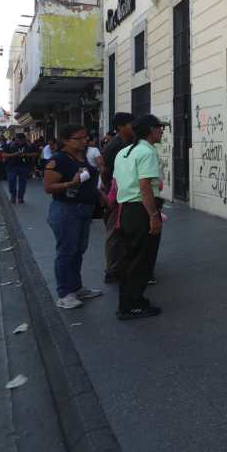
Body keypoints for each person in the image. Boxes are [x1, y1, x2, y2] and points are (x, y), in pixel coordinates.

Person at [43, 125, 103, 309]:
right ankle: (64, 293)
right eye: (80, 138)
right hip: (66, 211)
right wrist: (71, 183)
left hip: (84, 210)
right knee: (66, 252)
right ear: (67, 141)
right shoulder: (57, 160)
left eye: (86, 137)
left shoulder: (82, 157)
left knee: (78, 250)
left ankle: (76, 287)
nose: (86, 141)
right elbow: (48, 187)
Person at [112, 114, 165, 320]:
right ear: (151, 130)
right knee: (142, 260)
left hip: (125, 209)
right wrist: (153, 215)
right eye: (159, 128)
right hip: (140, 210)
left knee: (130, 258)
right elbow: (145, 187)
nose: (161, 132)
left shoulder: (124, 152)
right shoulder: (146, 152)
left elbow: (117, 183)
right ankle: (131, 305)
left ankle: (131, 300)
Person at [101, 114, 134, 282]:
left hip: (125, 192)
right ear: (121, 127)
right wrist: (110, 192)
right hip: (116, 193)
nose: (133, 126)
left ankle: (122, 264)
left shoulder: (127, 143)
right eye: (130, 124)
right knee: (114, 230)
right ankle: (112, 270)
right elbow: (104, 170)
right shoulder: (115, 146)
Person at [1, 133, 35, 203]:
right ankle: (13, 195)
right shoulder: (10, 145)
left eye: (22, 140)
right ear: (16, 139)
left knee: (23, 183)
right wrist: (14, 154)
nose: (20, 142)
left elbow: (35, 153)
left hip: (24, 166)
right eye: (19, 140)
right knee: (11, 181)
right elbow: (3, 154)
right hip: (11, 166)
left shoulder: (28, 146)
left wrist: (24, 155)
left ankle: (20, 197)